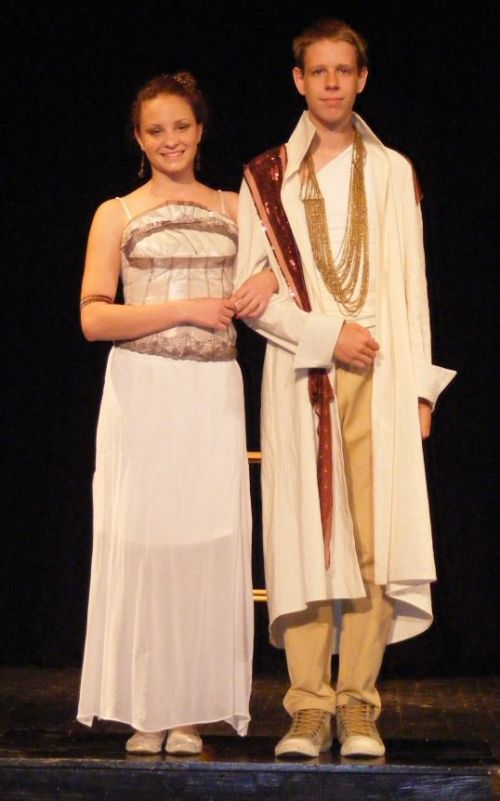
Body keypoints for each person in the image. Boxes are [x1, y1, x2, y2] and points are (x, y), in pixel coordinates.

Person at [233, 19, 455, 758]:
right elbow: (251, 296)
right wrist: (329, 336)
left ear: (361, 79)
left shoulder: (391, 170)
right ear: (299, 80)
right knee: (304, 536)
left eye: (343, 71)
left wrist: (420, 390)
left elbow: (412, 286)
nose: (331, 83)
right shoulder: (266, 176)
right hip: (305, 373)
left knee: (372, 541)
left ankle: (358, 705)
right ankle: (307, 707)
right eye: (318, 71)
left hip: (380, 373)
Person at [77, 72, 276, 755]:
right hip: (143, 388)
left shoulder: (235, 206)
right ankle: (147, 706)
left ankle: (189, 707)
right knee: (144, 539)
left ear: (200, 130)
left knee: (204, 540)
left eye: (181, 127)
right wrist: (186, 307)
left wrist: (263, 279)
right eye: (156, 130)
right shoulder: (117, 213)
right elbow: (94, 316)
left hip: (210, 390)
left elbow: (286, 269)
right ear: (138, 138)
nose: (170, 140)